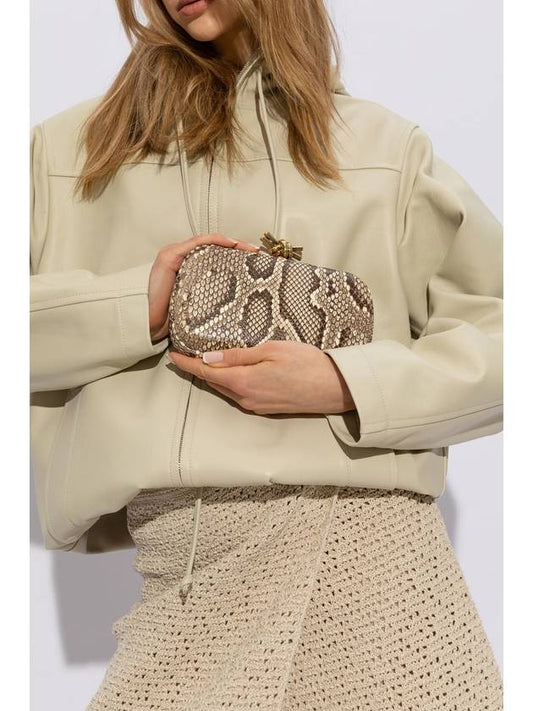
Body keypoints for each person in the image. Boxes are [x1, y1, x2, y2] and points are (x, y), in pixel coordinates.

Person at [30, 0, 503, 709]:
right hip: (187, 570)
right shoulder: (70, 152)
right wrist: (136, 304)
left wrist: (346, 382)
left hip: (376, 564)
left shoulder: (383, 147)